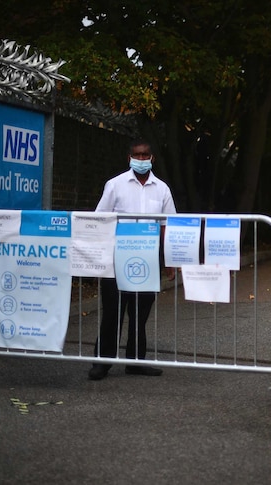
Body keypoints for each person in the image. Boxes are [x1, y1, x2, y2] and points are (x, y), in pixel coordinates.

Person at [88, 138, 177, 380]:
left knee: (140, 314)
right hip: (117, 261)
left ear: (152, 158)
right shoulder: (115, 185)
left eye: (145, 155)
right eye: (136, 155)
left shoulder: (162, 189)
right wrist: (98, 258)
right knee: (112, 313)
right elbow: (100, 220)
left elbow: (167, 225)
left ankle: (135, 362)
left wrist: (169, 261)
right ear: (129, 158)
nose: (141, 159)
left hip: (147, 261)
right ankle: (102, 362)